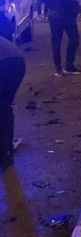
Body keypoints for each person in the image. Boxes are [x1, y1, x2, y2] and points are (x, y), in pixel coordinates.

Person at [41, 0, 81, 76]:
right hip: (56, 15)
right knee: (56, 41)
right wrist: (53, 6)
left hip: (69, 14)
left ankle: (69, 65)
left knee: (74, 38)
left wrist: (76, 6)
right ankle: (58, 67)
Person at [0, 33, 26, 171]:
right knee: (3, 108)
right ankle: (6, 153)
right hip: (17, 62)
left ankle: (5, 152)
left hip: (3, 64)